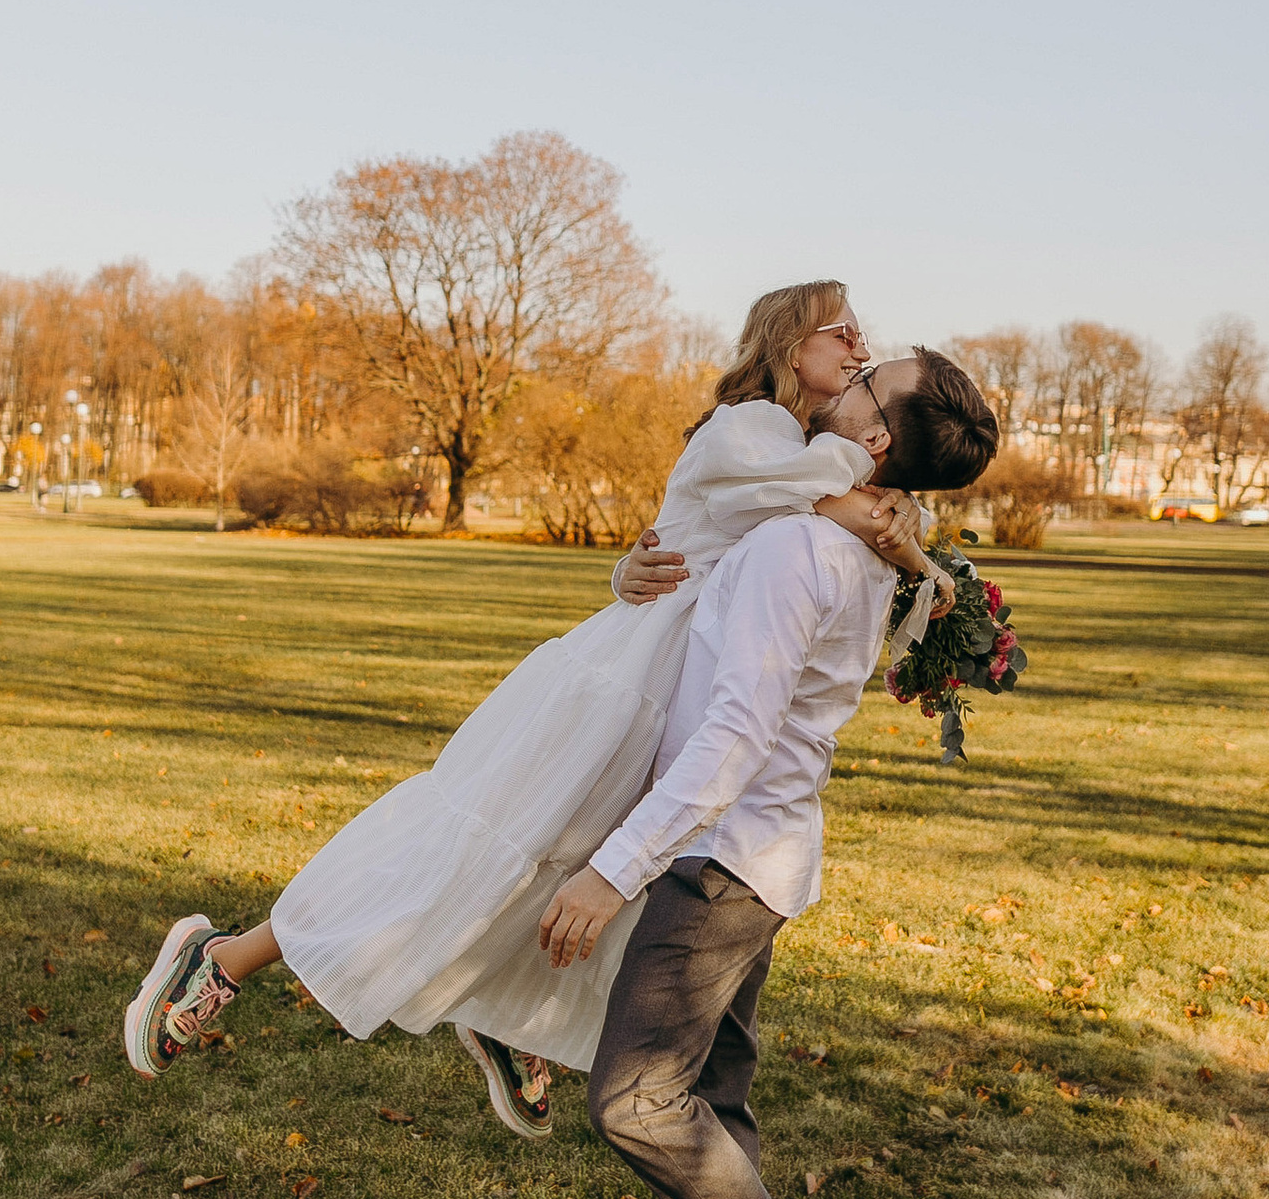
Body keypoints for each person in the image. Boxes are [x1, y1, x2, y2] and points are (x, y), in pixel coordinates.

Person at [117, 285, 947, 1129]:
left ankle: (507, 1015)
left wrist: (908, 540)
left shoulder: (793, 444)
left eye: (863, 341)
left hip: (677, 696)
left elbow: (790, 521)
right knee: (467, 849)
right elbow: (779, 500)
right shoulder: (754, 428)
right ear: (788, 341)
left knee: (582, 864)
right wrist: (881, 508)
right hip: (622, 682)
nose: (859, 350)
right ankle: (221, 958)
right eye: (843, 333)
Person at [541, 346, 1001, 1199]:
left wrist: (613, 868)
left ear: (875, 438)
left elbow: (734, 736)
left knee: (636, 1101)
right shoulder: (848, 537)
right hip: (771, 857)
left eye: (866, 380)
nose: (845, 377)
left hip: (721, 860)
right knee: (715, 1098)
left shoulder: (803, 547)